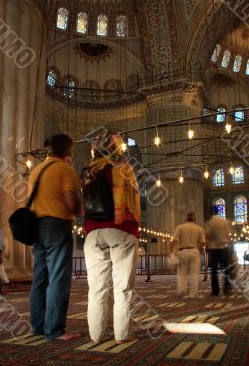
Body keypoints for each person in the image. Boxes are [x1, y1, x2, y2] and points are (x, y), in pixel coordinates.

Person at [82, 131, 140, 344]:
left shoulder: (89, 169)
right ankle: (122, 336)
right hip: (121, 229)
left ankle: (96, 336)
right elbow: (133, 202)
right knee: (122, 287)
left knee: (97, 288)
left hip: (93, 232)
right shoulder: (123, 167)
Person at [29, 134, 83, 340]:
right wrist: (80, 210)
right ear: (68, 151)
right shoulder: (65, 170)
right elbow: (71, 204)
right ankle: (55, 330)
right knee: (58, 278)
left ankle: (38, 327)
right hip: (56, 226)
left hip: (37, 226)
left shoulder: (36, 170)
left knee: (40, 279)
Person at [171, 212, 205, 299]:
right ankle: (193, 294)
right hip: (194, 251)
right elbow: (202, 243)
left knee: (182, 273)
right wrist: (200, 252)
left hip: (183, 251)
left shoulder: (181, 227)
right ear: (195, 219)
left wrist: (173, 251)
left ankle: (181, 291)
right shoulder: (199, 228)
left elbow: (174, 240)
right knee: (194, 274)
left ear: (187, 218)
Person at [205, 206, 232, 296]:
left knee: (214, 271)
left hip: (214, 249)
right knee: (227, 270)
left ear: (210, 213)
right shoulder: (225, 222)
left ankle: (215, 291)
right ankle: (227, 288)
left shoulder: (210, 223)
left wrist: (207, 246)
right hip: (224, 248)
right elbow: (228, 236)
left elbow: (208, 235)